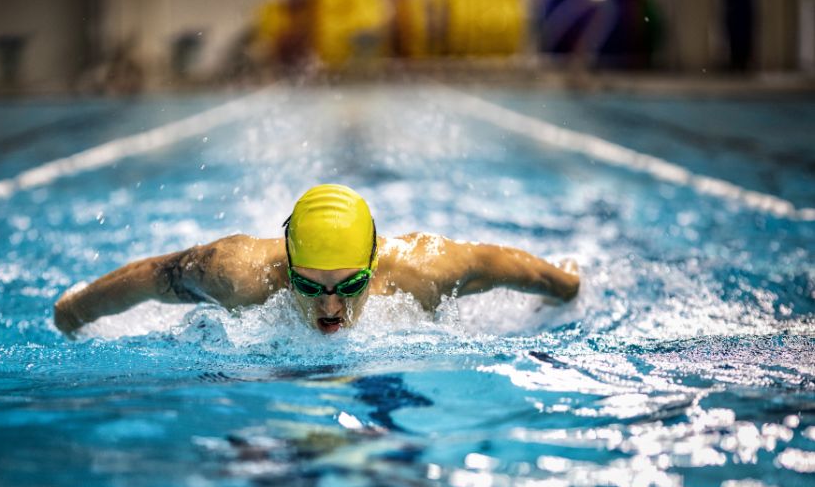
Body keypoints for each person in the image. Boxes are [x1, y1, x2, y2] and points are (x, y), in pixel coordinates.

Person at [54, 184, 580, 336]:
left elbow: (516, 267)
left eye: (349, 285)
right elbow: (154, 275)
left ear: (373, 266)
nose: (330, 305)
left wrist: (567, 286)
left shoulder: (424, 270)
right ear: (287, 266)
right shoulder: (239, 274)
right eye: (309, 286)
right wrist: (75, 309)